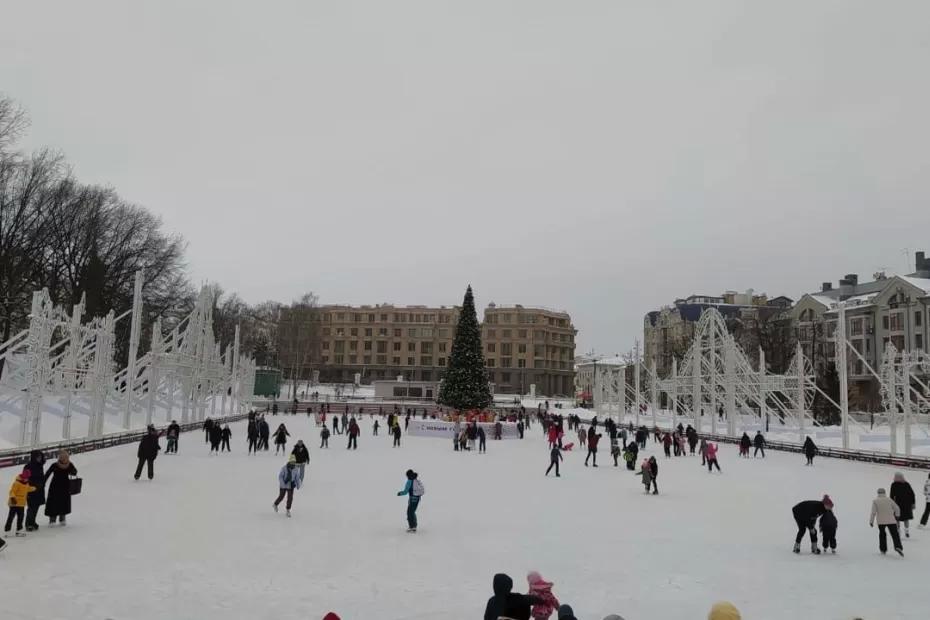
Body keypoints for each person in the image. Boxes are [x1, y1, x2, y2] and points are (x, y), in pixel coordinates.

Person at [46, 449, 78, 524]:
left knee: (63, 503)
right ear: (60, 458)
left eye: (66, 458)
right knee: (53, 503)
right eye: (64, 458)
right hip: (55, 487)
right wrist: (42, 483)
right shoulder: (55, 465)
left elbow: (75, 472)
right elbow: (47, 474)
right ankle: (52, 519)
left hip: (65, 487)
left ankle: (62, 518)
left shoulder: (69, 465)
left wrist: (72, 471)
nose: (66, 459)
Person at [870, 487, 903, 555]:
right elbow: (897, 508)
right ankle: (898, 546)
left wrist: (871, 521)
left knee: (882, 534)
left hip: (881, 522)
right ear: (885, 493)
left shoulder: (875, 501)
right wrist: (897, 516)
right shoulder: (889, 500)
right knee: (895, 534)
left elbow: (873, 512)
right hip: (891, 520)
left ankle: (883, 549)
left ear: (878, 493)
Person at [5, 469, 35, 537]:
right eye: (25, 477)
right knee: (11, 517)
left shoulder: (26, 483)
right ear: (23, 476)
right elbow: (12, 491)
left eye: (28, 478)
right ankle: (7, 531)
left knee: (21, 517)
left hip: (21, 504)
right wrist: (12, 498)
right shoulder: (17, 483)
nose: (26, 479)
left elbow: (28, 488)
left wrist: (34, 488)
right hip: (14, 503)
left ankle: (19, 531)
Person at [23, 450, 45, 531]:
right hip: (31, 490)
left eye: (40, 457)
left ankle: (32, 522)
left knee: (36, 507)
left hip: (39, 490)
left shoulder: (40, 466)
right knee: (31, 507)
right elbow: (24, 478)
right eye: (38, 457)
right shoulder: (28, 466)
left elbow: (41, 477)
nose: (39, 458)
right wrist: (32, 485)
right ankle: (28, 524)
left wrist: (42, 483)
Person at [889, 472, 916, 538]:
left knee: (897, 518)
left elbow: (891, 495)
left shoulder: (894, 484)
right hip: (907, 504)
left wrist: (891, 504)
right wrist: (913, 503)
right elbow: (912, 494)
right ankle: (907, 531)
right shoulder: (907, 484)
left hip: (898, 504)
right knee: (906, 518)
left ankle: (898, 532)